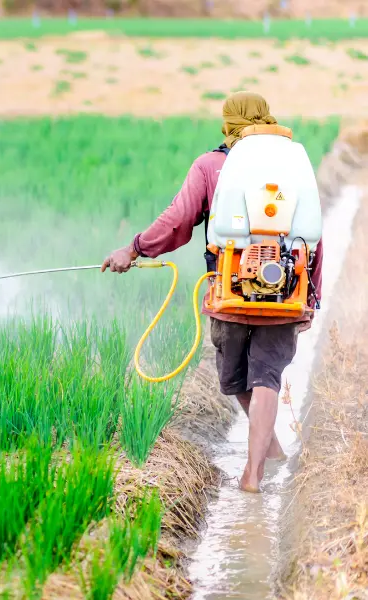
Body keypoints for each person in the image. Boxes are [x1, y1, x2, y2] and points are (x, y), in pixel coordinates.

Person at [101, 91, 323, 494]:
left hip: (230, 293)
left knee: (238, 379)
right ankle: (267, 457)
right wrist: (313, 297)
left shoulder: (212, 165)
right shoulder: (292, 165)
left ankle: (254, 472)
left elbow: (177, 222)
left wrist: (133, 248)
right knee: (267, 377)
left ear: (227, 123)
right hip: (286, 293)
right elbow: (312, 236)